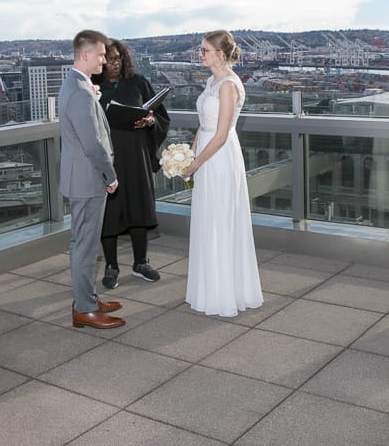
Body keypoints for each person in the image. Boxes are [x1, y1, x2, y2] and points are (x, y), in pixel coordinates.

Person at [182, 29, 263, 317]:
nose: (200, 55)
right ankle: (209, 288)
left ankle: (224, 292)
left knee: (220, 218)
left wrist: (195, 163)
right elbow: (203, 126)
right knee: (208, 217)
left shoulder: (229, 84)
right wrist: (188, 153)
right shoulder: (211, 80)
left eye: (204, 50)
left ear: (219, 53)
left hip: (219, 157)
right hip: (206, 153)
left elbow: (220, 134)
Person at [59, 30, 125, 329]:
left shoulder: (77, 85)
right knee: (85, 246)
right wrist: (109, 176)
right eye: (100, 55)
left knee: (83, 243)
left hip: (81, 178)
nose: (104, 60)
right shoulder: (80, 92)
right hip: (87, 180)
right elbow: (93, 143)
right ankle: (84, 308)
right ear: (84, 55)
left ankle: (86, 297)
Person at [93, 39, 170, 289]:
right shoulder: (93, 86)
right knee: (110, 213)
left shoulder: (138, 82)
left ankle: (141, 262)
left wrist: (150, 122)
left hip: (137, 155)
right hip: (109, 156)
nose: (114, 64)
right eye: (109, 60)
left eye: (118, 59)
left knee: (139, 208)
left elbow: (159, 115)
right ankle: (111, 265)